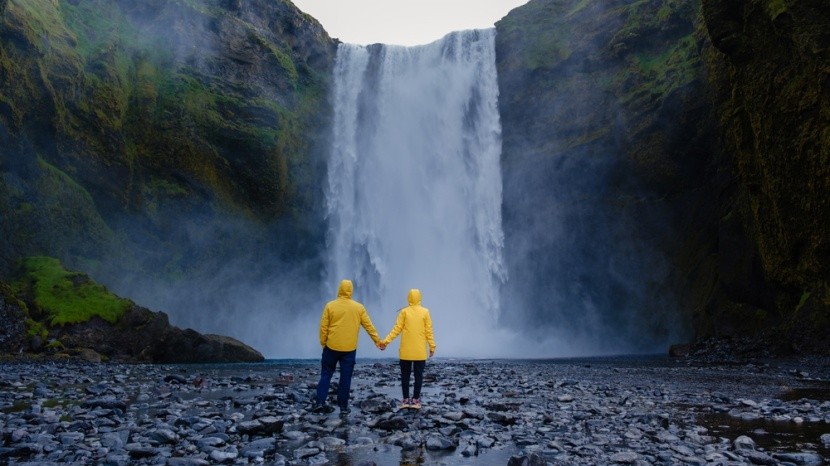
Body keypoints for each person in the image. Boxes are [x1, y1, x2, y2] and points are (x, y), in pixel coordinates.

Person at [313, 279, 385, 415]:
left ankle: (320, 402)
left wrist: (324, 343)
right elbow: (369, 326)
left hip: (331, 347)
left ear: (339, 289)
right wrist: (378, 341)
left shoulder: (330, 306)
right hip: (349, 349)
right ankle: (343, 407)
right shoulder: (359, 308)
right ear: (351, 291)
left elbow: (323, 328)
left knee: (326, 374)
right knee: (345, 378)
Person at [382, 288, 436, 410]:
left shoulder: (404, 312)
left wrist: (385, 342)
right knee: (419, 376)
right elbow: (429, 331)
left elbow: (396, 329)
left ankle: (406, 400)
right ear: (420, 298)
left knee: (405, 375)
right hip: (420, 352)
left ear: (409, 298)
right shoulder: (425, 312)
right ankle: (416, 400)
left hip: (405, 352)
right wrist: (432, 346)